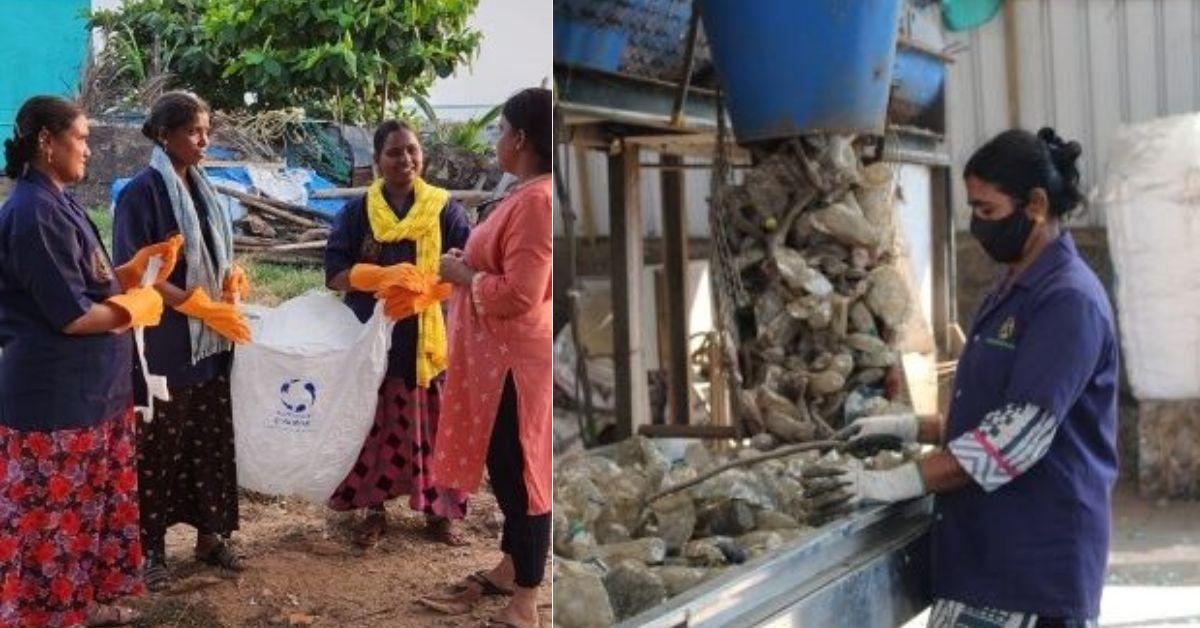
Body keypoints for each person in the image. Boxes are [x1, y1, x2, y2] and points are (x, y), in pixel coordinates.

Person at [806, 128, 1118, 628]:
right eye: (972, 208)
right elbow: (991, 407)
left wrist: (889, 483)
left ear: (1035, 204)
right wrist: (910, 427)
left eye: (987, 210)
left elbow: (1015, 437)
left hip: (1031, 566)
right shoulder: (1014, 285)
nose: (976, 224)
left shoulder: (1067, 302)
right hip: (982, 554)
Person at [0, 95, 179, 627]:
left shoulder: (59, 200)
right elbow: (72, 315)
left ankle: (83, 601)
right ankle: (48, 614)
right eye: (80, 137)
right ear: (45, 142)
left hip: (91, 393)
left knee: (88, 509)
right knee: (52, 518)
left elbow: (90, 279)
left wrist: (132, 272)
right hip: (53, 399)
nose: (88, 149)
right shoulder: (33, 214)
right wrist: (137, 307)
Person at [112, 91, 252, 591]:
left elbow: (217, 254)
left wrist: (229, 283)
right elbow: (138, 274)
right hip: (167, 343)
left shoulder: (207, 190)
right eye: (194, 130)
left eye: (206, 129)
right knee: (161, 448)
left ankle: (210, 537)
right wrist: (193, 301)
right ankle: (149, 548)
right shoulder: (140, 194)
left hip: (210, 342)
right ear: (165, 134)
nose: (204, 139)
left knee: (209, 438)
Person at [431, 87, 554, 628]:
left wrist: (465, 276)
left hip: (514, 367)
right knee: (507, 468)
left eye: (501, 130)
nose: (498, 139)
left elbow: (522, 293)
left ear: (521, 138)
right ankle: (510, 567)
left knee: (522, 473)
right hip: (500, 361)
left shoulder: (537, 200)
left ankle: (526, 602)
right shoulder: (525, 193)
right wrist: (472, 264)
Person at [324, 119, 472, 548]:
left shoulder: (446, 211)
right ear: (376, 162)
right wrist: (380, 277)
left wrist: (427, 292)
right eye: (394, 152)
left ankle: (440, 513)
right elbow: (334, 274)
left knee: (440, 428)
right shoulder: (357, 214)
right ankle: (374, 510)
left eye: (412, 150)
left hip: (431, 341)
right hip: (375, 343)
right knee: (375, 427)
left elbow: (467, 268)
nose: (405, 160)